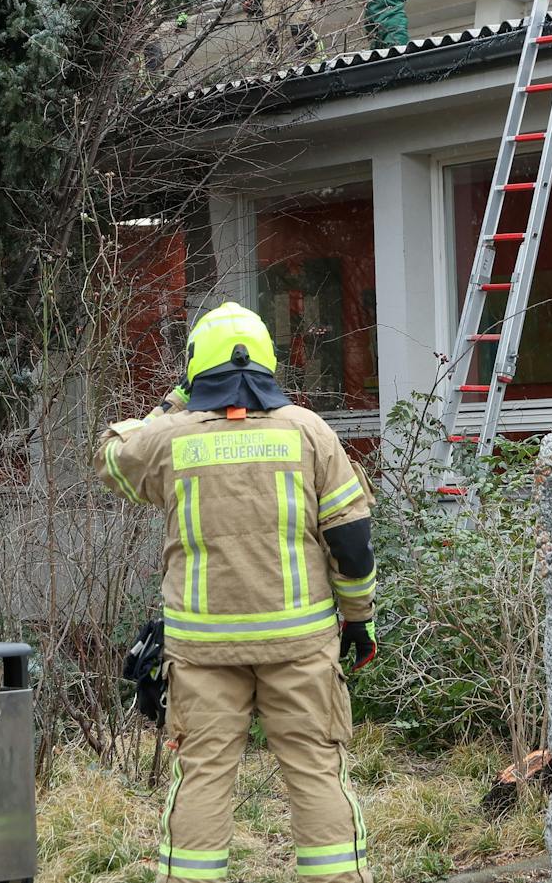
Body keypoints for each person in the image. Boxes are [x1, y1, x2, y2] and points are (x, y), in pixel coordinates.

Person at [99, 302, 379, 883]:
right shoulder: (309, 432)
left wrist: (174, 401)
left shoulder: (171, 438)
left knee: (201, 776)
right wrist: (359, 619)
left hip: (203, 650)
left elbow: (111, 457)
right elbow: (351, 543)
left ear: (196, 369)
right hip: (300, 645)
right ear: (269, 365)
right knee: (317, 771)